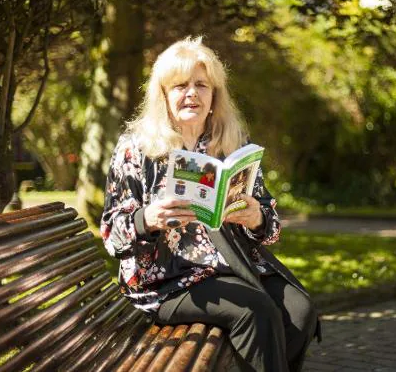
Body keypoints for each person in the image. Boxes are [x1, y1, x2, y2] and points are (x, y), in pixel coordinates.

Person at [100, 36, 320, 372]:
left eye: (201, 85)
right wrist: (147, 219)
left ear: (214, 95)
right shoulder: (137, 149)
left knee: (300, 310)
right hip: (166, 281)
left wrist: (256, 217)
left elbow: (270, 222)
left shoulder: (231, 144)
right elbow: (110, 232)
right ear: (163, 96)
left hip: (233, 265)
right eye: (180, 86)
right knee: (255, 310)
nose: (192, 93)